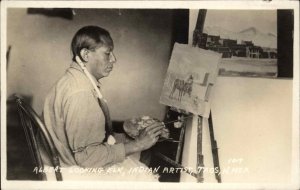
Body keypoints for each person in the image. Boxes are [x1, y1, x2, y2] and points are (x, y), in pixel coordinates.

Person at [41, 25, 164, 180]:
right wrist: (138, 144)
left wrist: (122, 126)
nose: (114, 59)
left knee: (138, 155)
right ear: (86, 54)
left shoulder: (73, 79)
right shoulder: (81, 93)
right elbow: (87, 159)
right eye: (107, 53)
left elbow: (81, 125)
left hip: (58, 161)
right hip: (70, 172)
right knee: (144, 169)